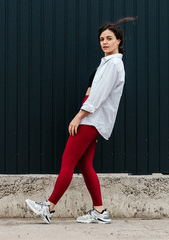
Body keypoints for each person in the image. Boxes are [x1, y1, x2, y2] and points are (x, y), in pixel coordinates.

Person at [26, 17, 137, 224]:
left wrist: (79, 116)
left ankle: (48, 206)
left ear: (119, 41)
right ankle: (99, 211)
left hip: (90, 120)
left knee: (67, 161)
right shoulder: (108, 63)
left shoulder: (114, 65)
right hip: (93, 119)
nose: (104, 42)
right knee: (85, 165)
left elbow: (98, 95)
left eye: (109, 38)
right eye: (102, 39)